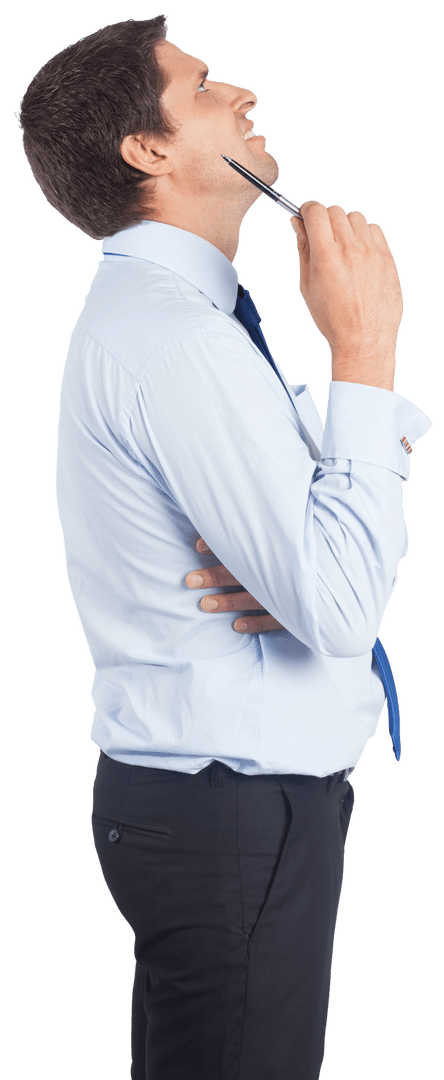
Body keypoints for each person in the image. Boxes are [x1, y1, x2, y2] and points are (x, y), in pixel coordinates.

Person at [16, 15, 432, 1080]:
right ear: (147, 152)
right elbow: (339, 603)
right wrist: (368, 350)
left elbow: (316, 569)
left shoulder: (187, 320)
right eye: (202, 87)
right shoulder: (184, 339)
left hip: (215, 809)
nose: (240, 90)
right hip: (234, 814)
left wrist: (295, 558)